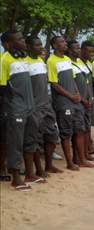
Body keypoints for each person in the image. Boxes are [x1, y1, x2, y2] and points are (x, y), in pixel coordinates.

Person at [0, 30, 35, 191]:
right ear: (8, 44)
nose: (23, 41)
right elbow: (2, 87)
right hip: (15, 109)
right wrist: (10, 108)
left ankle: (30, 174)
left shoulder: (23, 58)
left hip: (30, 107)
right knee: (15, 143)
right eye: (19, 39)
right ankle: (16, 178)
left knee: (29, 140)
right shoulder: (4, 60)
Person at [25, 36, 63, 176]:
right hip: (34, 108)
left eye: (41, 44)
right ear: (28, 47)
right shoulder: (25, 63)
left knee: (52, 137)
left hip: (47, 106)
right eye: (36, 45)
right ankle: (38, 170)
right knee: (34, 140)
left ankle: (48, 166)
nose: (41, 47)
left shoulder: (41, 61)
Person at [48, 36, 86, 170]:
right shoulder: (51, 61)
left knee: (79, 130)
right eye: (61, 42)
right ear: (54, 45)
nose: (65, 44)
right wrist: (70, 96)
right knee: (66, 133)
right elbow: (54, 84)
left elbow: (73, 79)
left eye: (65, 41)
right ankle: (69, 163)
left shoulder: (67, 59)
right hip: (64, 103)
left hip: (75, 101)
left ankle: (81, 160)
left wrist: (77, 94)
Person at [66, 40, 94, 168]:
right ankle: (79, 159)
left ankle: (84, 154)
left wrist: (90, 98)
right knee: (78, 131)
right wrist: (83, 100)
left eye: (79, 48)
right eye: (76, 48)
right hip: (78, 103)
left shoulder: (81, 63)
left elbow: (88, 82)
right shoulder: (68, 63)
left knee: (85, 129)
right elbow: (72, 85)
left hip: (88, 101)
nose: (78, 50)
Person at [80, 41, 94, 155]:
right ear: (82, 50)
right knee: (82, 126)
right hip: (81, 100)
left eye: (92, 52)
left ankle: (90, 147)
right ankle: (85, 151)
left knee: (88, 124)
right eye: (89, 51)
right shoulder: (76, 63)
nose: (91, 54)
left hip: (90, 98)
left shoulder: (90, 63)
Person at [0, 32, 11, 182]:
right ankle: (2, 168)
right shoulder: (3, 60)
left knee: (6, 138)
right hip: (5, 103)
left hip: (9, 104)